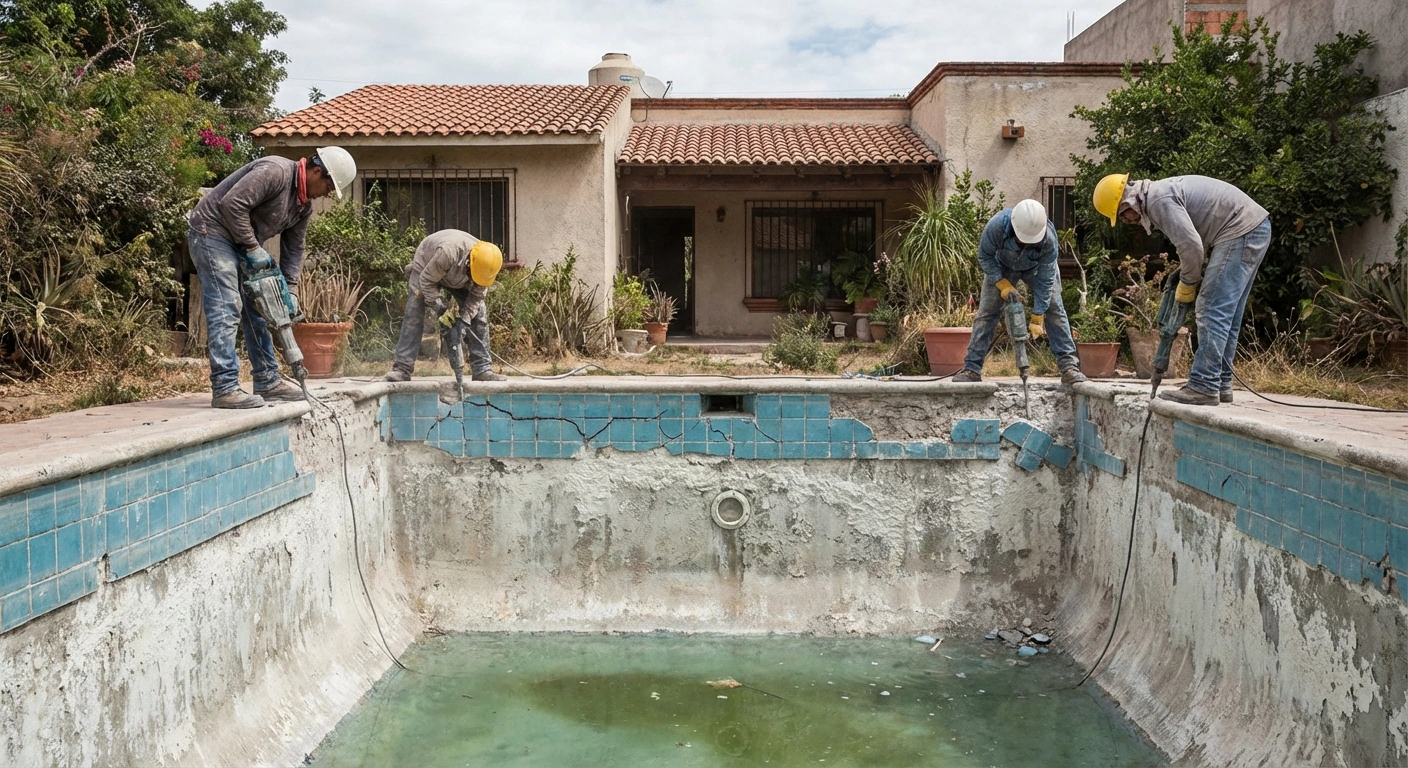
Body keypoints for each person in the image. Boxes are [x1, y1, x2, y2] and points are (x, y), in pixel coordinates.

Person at [186, 147, 357, 409]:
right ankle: (225, 387)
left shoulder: (303, 207)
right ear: (316, 171)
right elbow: (232, 204)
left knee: (259, 310)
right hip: (212, 231)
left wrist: (290, 290)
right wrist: (254, 248)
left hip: (241, 241)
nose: (328, 193)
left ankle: (268, 381)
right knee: (227, 304)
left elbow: (294, 249)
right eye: (329, 186)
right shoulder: (275, 172)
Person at [1093, 173, 1271, 406]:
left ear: (1127, 202)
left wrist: (1188, 282)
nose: (1127, 222)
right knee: (1228, 314)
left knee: (1211, 309)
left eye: (1121, 216)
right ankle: (1219, 383)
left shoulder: (1158, 201)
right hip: (1251, 227)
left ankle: (1204, 385)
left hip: (1240, 230)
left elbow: (1191, 247)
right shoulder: (1159, 195)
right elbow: (1192, 242)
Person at [952, 200, 1087, 385]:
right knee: (986, 313)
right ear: (1015, 227)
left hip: (1037, 268)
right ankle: (971, 368)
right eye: (1022, 238)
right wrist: (1002, 283)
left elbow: (1047, 279)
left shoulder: (1048, 238)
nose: (1026, 242)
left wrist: (1038, 313)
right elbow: (985, 256)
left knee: (1055, 310)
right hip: (1002, 266)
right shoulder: (997, 226)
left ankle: (1069, 367)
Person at [384, 230, 506, 383]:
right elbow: (427, 281)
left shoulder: (485, 267)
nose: (474, 280)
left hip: (455, 275)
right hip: (426, 268)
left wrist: (464, 321)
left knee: (479, 315)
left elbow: (477, 297)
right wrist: (440, 308)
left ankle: (482, 369)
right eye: (472, 275)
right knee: (413, 315)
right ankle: (402, 369)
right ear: (469, 262)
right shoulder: (448, 253)